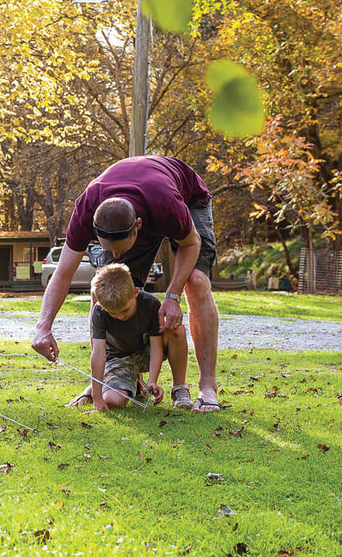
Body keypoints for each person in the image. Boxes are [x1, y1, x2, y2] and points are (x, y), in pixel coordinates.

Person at [31, 155, 222, 413]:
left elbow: (191, 243)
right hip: (136, 201)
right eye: (109, 249)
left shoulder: (165, 205)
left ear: (138, 228)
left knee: (197, 281)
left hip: (186, 197)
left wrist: (172, 295)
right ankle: (108, 378)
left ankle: (207, 385)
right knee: (104, 286)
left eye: (120, 250)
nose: (116, 256)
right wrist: (43, 326)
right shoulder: (86, 208)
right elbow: (63, 274)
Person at [87, 263, 189, 412]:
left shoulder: (150, 304)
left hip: (146, 352)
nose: (120, 316)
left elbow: (156, 347)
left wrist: (152, 382)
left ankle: (179, 389)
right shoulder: (99, 312)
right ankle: (135, 384)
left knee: (177, 330)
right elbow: (98, 354)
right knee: (112, 401)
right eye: (113, 313)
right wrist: (97, 397)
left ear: (135, 293)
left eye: (125, 310)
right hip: (119, 358)